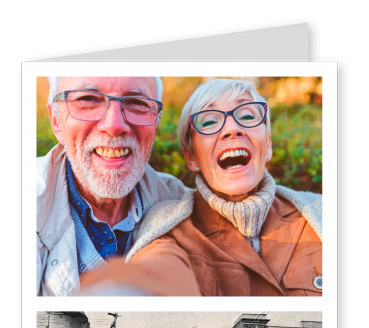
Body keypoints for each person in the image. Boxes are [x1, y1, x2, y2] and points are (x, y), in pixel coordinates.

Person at [80, 78, 322, 296]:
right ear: (191, 157)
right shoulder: (169, 228)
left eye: (247, 116)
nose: (232, 129)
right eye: (209, 121)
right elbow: (158, 270)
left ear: (267, 144)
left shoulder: (321, 212)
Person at [37, 76, 191, 296]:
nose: (114, 125)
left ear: (156, 121)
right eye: (88, 99)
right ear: (55, 120)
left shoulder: (180, 204)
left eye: (137, 103)